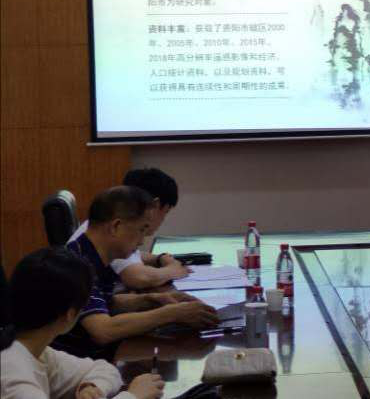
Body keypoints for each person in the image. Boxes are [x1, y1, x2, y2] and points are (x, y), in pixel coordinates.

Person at [53, 186, 219, 360]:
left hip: (91, 354)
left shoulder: (92, 254)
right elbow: (103, 330)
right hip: (72, 361)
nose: (141, 241)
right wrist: (173, 313)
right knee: (178, 350)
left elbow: (104, 303)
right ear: (116, 226)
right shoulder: (79, 265)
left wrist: (152, 300)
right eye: (141, 229)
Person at [1, 247, 164, 399]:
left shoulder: (38, 352)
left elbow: (104, 369)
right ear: (71, 314)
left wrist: (92, 387)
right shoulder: (13, 376)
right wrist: (133, 396)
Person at [70, 169, 189, 290]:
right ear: (155, 205)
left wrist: (159, 258)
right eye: (166, 212)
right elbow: (139, 277)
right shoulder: (106, 242)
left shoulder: (100, 229)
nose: (141, 242)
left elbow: (107, 297)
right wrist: (173, 271)